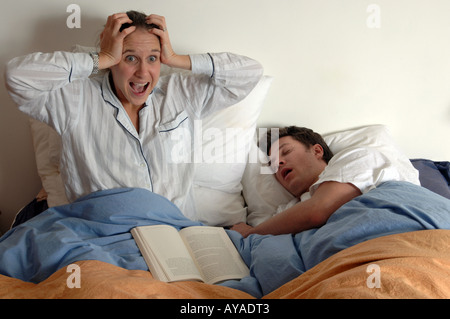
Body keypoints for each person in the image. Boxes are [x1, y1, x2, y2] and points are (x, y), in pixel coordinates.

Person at [5, 11, 263, 218]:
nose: (142, 73)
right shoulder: (75, 99)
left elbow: (250, 72)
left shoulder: (180, 93)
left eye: (152, 58)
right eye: (130, 58)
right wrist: (100, 58)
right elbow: (17, 77)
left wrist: (175, 58)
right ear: (112, 59)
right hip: (101, 236)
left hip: (172, 236)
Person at [232, 126, 369, 237]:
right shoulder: (285, 213)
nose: (278, 163)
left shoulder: (356, 158)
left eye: (286, 151)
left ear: (317, 151)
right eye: (272, 163)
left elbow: (318, 211)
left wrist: (249, 233)